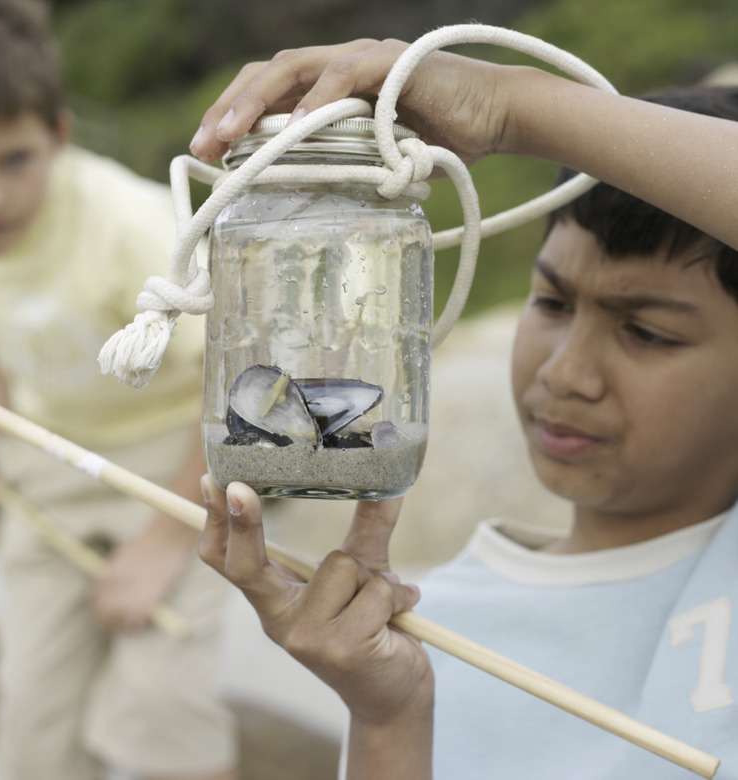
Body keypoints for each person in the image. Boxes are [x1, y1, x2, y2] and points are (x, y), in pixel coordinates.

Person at [193, 39, 738, 779]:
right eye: (549, 301)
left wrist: (509, 103)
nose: (566, 371)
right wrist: (387, 716)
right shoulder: (419, 624)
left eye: (647, 331)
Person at [0, 2, 238, 779]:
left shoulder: (129, 224)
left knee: (161, 717)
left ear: (59, 135)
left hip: (180, 469)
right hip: (55, 466)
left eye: (13, 159)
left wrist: (164, 542)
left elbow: (228, 387)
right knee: (31, 724)